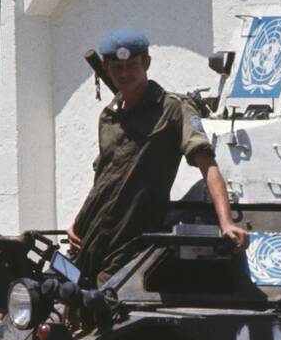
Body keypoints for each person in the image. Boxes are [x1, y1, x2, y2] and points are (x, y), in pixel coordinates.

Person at [68, 28, 248, 285]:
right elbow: (104, 179)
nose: (125, 74)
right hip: (89, 234)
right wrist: (78, 220)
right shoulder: (109, 116)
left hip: (131, 236)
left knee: (105, 301)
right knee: (61, 296)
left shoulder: (173, 109)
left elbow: (207, 165)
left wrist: (227, 222)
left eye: (132, 65)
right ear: (106, 68)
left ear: (146, 63)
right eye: (117, 67)